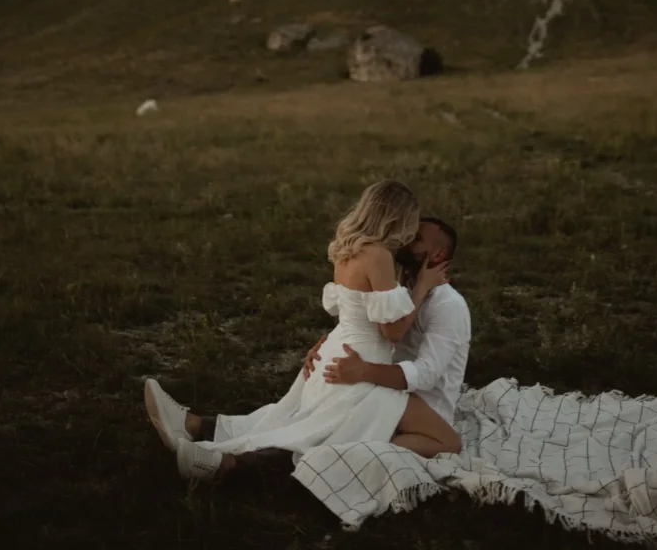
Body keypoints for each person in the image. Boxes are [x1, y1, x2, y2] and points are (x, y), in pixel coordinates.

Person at [144, 180, 462, 481]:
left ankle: (198, 432)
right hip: (358, 367)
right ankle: (223, 461)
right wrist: (421, 289)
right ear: (396, 219)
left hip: (339, 351)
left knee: (294, 422)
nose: (409, 236)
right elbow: (392, 332)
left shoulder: (349, 249)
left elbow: (356, 316)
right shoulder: (378, 255)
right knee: (316, 437)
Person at [305, 216, 470, 430]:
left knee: (338, 425)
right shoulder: (400, 290)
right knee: (323, 406)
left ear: (438, 255)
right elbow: (367, 330)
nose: (405, 240)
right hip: (384, 388)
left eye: (416, 238)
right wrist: (326, 353)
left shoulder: (449, 305)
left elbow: (426, 375)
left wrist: (363, 371)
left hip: (426, 410)